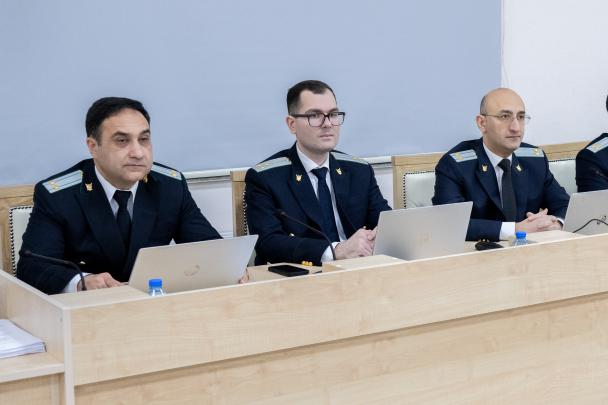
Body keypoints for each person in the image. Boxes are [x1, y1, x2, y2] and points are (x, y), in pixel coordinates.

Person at [17, 97, 224, 295]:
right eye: (122, 141)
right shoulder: (59, 196)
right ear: (93, 147)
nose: (138, 153)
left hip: (152, 303)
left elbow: (211, 248)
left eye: (144, 139)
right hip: (89, 308)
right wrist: (81, 282)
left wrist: (230, 268)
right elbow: (32, 267)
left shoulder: (170, 186)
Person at [244, 80, 390, 267]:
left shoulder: (359, 171)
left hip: (358, 272)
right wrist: (337, 251)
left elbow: (386, 223)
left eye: (333, 114)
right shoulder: (265, 178)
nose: (327, 124)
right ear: (292, 124)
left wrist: (381, 235)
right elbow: (268, 243)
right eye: (314, 115)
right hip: (302, 277)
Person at [432, 88, 569, 242]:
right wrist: (516, 230)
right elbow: (450, 224)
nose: (516, 127)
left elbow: (565, 205)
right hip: (480, 253)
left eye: (520, 117)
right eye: (505, 116)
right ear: (482, 123)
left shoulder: (535, 160)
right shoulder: (454, 165)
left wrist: (557, 224)